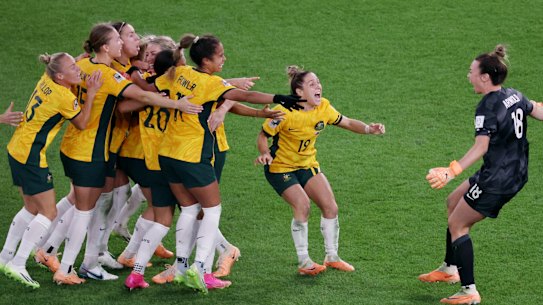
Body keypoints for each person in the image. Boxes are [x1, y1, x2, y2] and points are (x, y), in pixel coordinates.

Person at [50, 23, 201, 285]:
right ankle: (74, 265)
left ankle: (77, 256)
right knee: (87, 209)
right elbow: (143, 96)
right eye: (119, 39)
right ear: (106, 47)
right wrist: (177, 102)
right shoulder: (108, 75)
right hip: (93, 150)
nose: (125, 43)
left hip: (74, 145)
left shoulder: (82, 67)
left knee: (89, 203)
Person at [152, 33, 302, 294]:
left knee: (188, 210)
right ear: (207, 60)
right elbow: (245, 95)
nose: (225, 59)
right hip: (193, 155)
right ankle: (199, 268)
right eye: (220, 55)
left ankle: (181, 265)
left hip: (167, 153)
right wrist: (278, 97)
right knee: (212, 211)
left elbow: (163, 80)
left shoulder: (179, 72)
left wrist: (260, 113)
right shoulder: (210, 82)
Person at [419, 45, 543, 305]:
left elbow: (481, 147)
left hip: (498, 178)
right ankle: (449, 269)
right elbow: (537, 109)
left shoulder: (487, 106)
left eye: (471, 72)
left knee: (458, 225)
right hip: (511, 172)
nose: (468, 76)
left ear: (485, 77)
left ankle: (469, 291)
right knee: (453, 202)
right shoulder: (514, 94)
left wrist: (450, 170)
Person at [254, 65, 385, 276]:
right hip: (280, 168)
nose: (318, 87)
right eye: (312, 84)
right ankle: (304, 261)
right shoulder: (285, 112)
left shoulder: (323, 107)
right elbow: (263, 136)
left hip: (307, 165)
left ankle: (332, 256)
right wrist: (264, 153)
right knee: (302, 205)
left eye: (318, 83)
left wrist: (369, 129)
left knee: (330, 207)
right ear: (299, 92)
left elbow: (348, 122)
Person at [0, 52, 102, 288]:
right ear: (60, 75)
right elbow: (82, 123)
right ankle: (18, 262)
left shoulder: (46, 80)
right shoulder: (63, 97)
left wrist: (72, 60)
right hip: (32, 157)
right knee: (48, 213)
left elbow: (58, 68)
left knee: (30, 208)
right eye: (73, 67)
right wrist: (93, 92)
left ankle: (5, 256)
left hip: (17, 149)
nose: (78, 70)